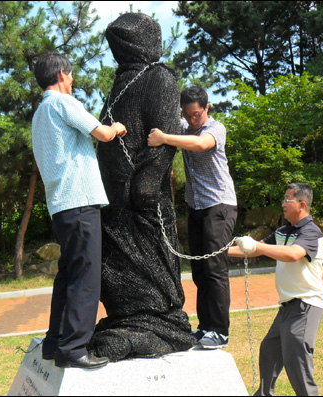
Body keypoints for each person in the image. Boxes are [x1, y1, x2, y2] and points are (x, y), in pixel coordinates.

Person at [88, 13, 196, 362]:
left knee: (150, 266)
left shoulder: (160, 77)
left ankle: (157, 327)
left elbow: (162, 137)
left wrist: (146, 188)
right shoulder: (123, 82)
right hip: (114, 198)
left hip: (142, 198)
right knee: (116, 267)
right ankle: (129, 321)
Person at [31, 51, 127, 369]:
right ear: (61, 74)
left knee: (69, 274)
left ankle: (55, 343)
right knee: (86, 276)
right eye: (70, 74)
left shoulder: (41, 111)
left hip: (60, 205)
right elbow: (102, 133)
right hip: (81, 200)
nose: (72, 80)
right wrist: (119, 128)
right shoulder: (63, 103)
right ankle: (74, 349)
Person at [148, 86, 238, 349]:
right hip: (197, 206)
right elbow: (161, 123)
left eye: (196, 114)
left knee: (214, 269)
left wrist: (165, 137)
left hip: (219, 205)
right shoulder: (184, 128)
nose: (191, 119)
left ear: (206, 109)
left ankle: (220, 332)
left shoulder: (215, 128)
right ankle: (205, 327)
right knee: (199, 271)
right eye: (187, 115)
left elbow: (200, 145)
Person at [229, 182, 323, 396]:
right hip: (287, 307)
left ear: (301, 204)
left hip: (305, 305)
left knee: (296, 363)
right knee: (269, 350)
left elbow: (292, 254)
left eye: (287, 200)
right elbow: (254, 251)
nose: (283, 204)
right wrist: (220, 252)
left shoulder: (311, 231)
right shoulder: (284, 231)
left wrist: (256, 245)